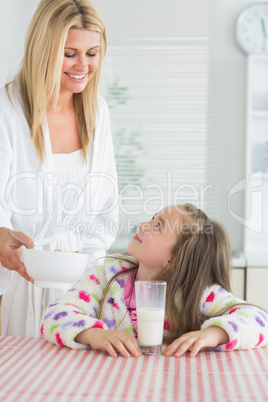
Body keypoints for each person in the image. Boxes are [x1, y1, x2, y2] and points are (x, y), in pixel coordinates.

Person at [0, 0, 118, 337]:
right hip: (22, 281)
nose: (83, 65)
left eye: (92, 53)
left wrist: (95, 292)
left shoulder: (97, 112)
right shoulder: (8, 109)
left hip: (80, 288)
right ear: (44, 49)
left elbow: (103, 210)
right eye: (70, 53)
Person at [40, 203, 268, 358]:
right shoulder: (103, 278)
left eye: (157, 226)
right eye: (152, 219)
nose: (143, 225)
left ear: (174, 258)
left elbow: (260, 321)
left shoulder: (196, 294)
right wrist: (93, 334)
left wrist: (214, 333)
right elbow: (52, 317)